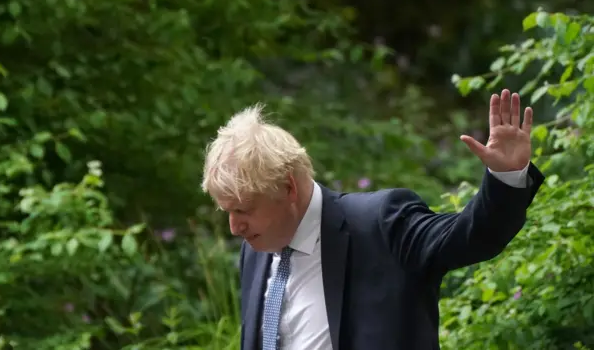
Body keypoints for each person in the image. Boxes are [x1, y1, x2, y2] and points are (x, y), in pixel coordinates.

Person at [200, 89, 545, 350]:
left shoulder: (381, 224)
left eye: (243, 209)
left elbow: (472, 236)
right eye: (227, 211)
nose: (234, 227)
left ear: (288, 188)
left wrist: (505, 178)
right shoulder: (257, 249)